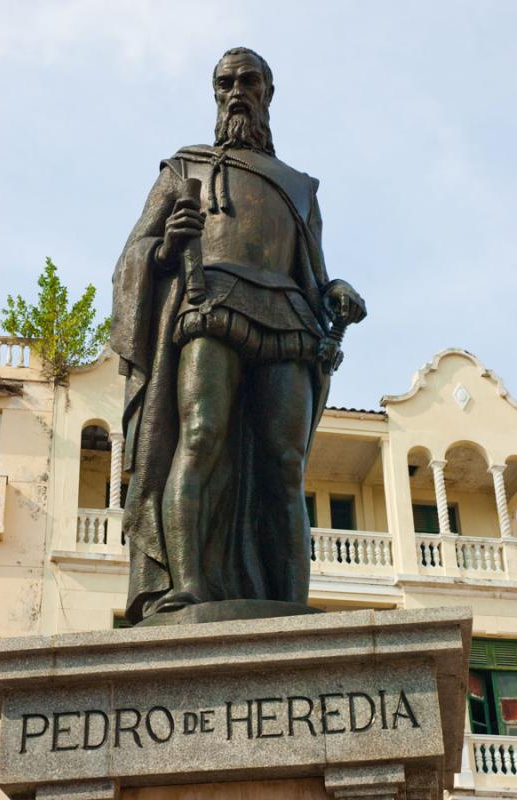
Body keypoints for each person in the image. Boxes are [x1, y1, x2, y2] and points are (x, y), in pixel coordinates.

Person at [111, 47, 366, 625]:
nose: (236, 91)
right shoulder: (184, 168)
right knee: (199, 438)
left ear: (268, 92)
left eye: (248, 81)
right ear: (215, 92)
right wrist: (167, 246)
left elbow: (314, 275)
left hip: (288, 317)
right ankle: (188, 587)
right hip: (209, 303)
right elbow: (133, 253)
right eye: (225, 82)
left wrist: (338, 289)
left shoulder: (301, 187)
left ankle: (289, 600)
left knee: (284, 461)